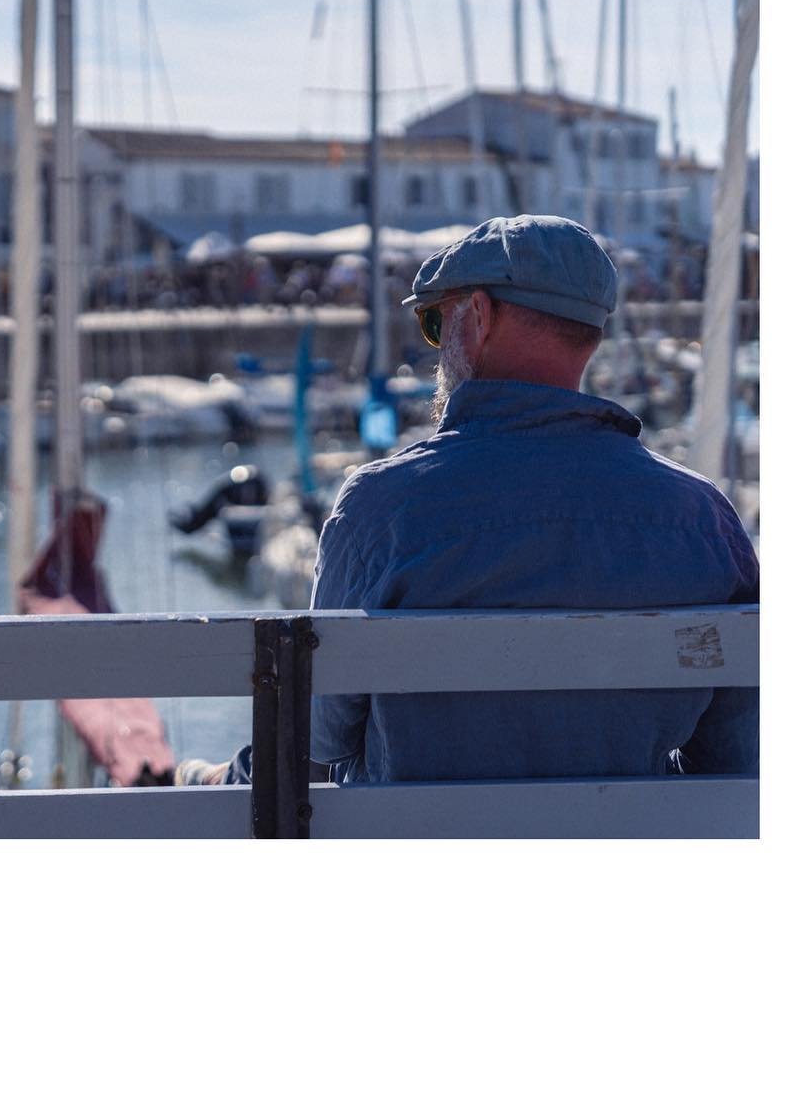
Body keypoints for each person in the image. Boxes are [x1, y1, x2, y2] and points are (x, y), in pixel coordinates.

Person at [176, 214, 758, 787]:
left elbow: (322, 740)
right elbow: (738, 756)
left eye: (436, 322)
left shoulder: (381, 508)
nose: (435, 350)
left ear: (479, 317)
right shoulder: (703, 521)